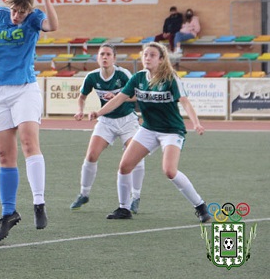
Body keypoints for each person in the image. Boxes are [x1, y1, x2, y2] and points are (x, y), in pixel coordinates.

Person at [89, 42, 211, 223]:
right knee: (124, 166)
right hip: (148, 128)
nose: (147, 58)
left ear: (161, 60)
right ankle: (124, 208)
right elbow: (120, 99)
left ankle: (201, 207)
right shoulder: (138, 78)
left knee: (169, 171)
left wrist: (196, 123)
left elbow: (184, 102)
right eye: (145, 55)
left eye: (152, 55)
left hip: (171, 131)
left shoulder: (170, 78)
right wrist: (98, 113)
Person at [0, 0, 58, 242]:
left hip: (24, 87)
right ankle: (9, 213)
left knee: (28, 142)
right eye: (14, 10)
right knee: (3, 154)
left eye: (21, 12)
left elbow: (52, 26)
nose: (16, 15)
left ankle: (38, 202)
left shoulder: (34, 17)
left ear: (28, 9)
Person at [70, 43, 145, 213]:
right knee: (91, 154)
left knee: (137, 158)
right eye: (101, 54)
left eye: (108, 54)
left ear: (114, 58)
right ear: (97, 57)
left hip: (127, 121)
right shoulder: (92, 77)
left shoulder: (123, 74)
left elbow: (137, 95)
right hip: (106, 121)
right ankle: (84, 193)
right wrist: (80, 111)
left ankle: (136, 196)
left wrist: (119, 97)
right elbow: (82, 97)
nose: (104, 57)